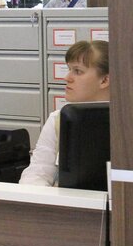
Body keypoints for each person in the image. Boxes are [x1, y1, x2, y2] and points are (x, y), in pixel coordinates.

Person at [19, 40, 109, 186]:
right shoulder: (58, 119)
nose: (67, 78)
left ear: (104, 80)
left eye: (77, 71)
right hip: (68, 199)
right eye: (69, 69)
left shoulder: (132, 120)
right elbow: (38, 172)